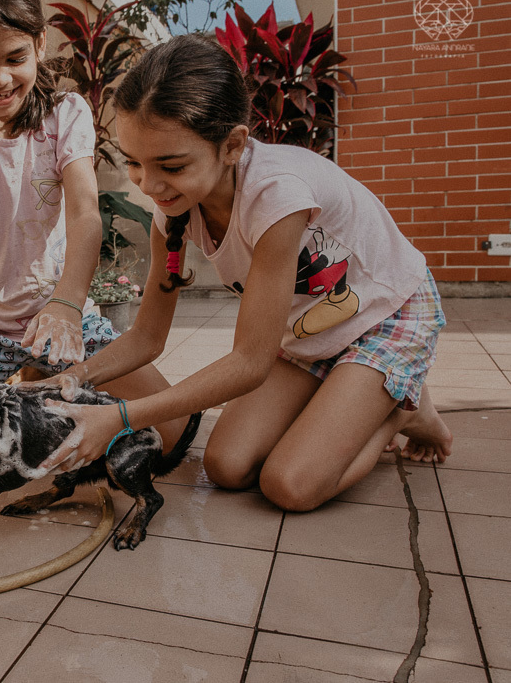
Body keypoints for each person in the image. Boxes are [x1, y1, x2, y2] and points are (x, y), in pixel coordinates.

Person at [39, 33, 453, 512]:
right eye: (134, 163)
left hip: (386, 315)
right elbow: (147, 337)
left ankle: (403, 410)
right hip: (312, 328)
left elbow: (250, 363)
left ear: (232, 145)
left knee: (290, 485)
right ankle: (352, 397)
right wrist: (72, 378)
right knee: (228, 466)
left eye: (169, 165)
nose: (149, 185)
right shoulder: (171, 212)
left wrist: (121, 417)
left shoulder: (276, 198)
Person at [0, 0, 194, 450]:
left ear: (40, 44)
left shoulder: (67, 115)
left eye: (15, 58)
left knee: (169, 434)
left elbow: (85, 213)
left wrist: (66, 305)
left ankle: (35, 384)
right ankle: (21, 385)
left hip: (63, 319)